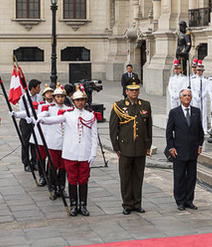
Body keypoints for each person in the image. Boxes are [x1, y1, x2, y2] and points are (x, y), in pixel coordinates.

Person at [38, 88, 97, 216]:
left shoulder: (90, 115)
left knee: (83, 180)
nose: (80, 102)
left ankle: (83, 204)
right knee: (72, 180)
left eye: (82, 100)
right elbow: (54, 119)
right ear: (73, 101)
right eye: (77, 100)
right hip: (70, 153)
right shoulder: (67, 114)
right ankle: (74, 205)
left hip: (85, 153)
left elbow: (94, 136)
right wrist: (40, 120)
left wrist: (93, 153)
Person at [109, 76, 152, 215]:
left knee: (138, 177)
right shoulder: (119, 106)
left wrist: (148, 145)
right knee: (126, 177)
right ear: (126, 91)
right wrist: (116, 147)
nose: (134, 92)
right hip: (125, 147)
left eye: (136, 90)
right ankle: (127, 204)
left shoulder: (145, 105)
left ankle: (137, 203)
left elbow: (148, 127)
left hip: (140, 147)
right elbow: (113, 128)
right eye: (131, 90)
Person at [165, 88, 204, 211]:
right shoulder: (174, 112)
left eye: (189, 95)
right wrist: (171, 147)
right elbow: (169, 131)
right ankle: (180, 201)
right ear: (180, 98)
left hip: (192, 150)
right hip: (179, 150)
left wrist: (199, 145)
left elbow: (200, 131)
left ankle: (189, 200)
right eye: (185, 95)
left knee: (191, 177)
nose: (187, 97)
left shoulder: (196, 111)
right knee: (180, 177)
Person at [38, 85, 71, 200]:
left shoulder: (69, 108)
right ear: (54, 97)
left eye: (62, 96)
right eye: (58, 96)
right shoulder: (50, 108)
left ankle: (61, 187)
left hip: (65, 142)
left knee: (63, 166)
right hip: (53, 142)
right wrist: (39, 118)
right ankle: (52, 187)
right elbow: (42, 115)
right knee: (53, 165)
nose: (60, 99)